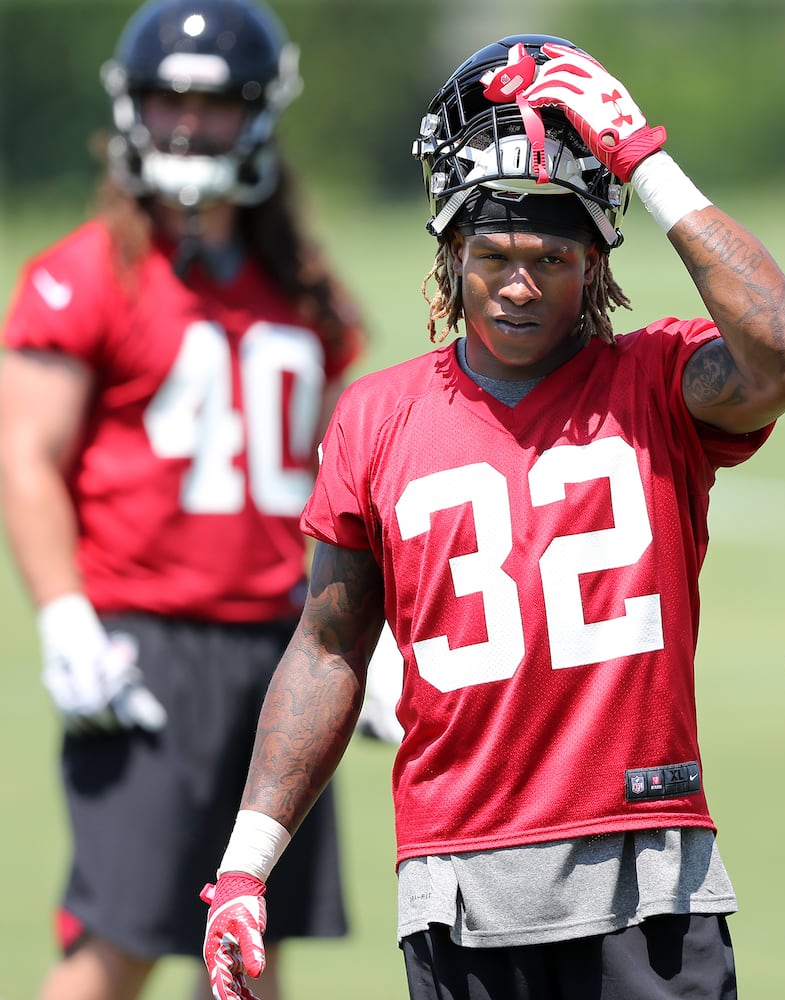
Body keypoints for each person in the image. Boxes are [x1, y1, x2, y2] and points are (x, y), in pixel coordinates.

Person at [199, 33, 785, 1000]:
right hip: (461, 878)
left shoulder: (659, 379)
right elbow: (327, 649)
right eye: (491, 253)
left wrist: (644, 162)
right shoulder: (378, 415)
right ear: (450, 254)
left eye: (552, 256)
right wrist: (245, 866)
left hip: (648, 872)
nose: (521, 284)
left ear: (598, 261)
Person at [0, 1, 362, 997]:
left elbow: (348, 476)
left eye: (214, 102)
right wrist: (66, 617)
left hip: (284, 646)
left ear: (259, 111)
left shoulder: (306, 288)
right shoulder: (84, 277)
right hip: (144, 645)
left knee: (250, 945)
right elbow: (24, 455)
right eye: (169, 99)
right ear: (130, 107)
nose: (190, 125)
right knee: (115, 944)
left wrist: (380, 630)